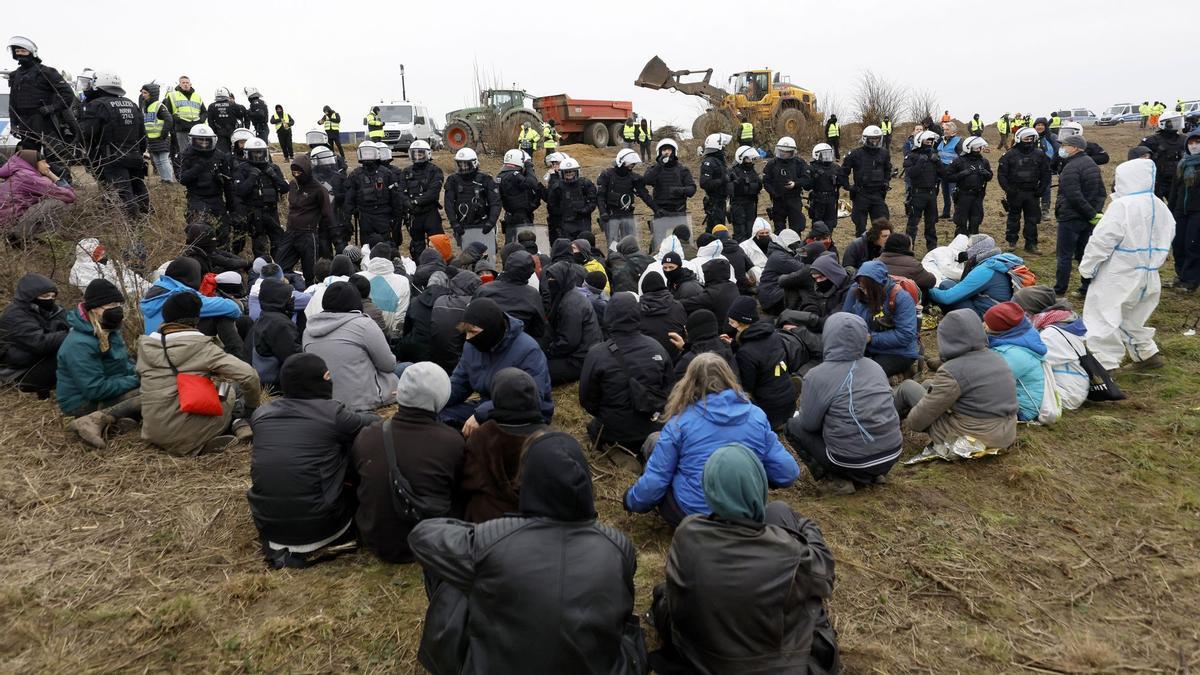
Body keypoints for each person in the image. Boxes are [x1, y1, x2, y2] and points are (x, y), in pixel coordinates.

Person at [410, 432, 647, 675]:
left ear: (526, 481)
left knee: (454, 573)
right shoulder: (619, 546)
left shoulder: (490, 541)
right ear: (587, 481)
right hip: (600, 665)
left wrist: (484, 532)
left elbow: (422, 536)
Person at [649, 445, 839, 675]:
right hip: (770, 667)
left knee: (665, 593)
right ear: (758, 485)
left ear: (709, 489)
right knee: (812, 604)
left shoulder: (686, 532)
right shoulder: (787, 551)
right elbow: (824, 576)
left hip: (698, 660)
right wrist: (806, 526)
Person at [624, 353, 800, 527]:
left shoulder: (679, 423)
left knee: (656, 444)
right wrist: (756, 476)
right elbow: (787, 473)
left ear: (688, 382)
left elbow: (657, 480)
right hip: (745, 514)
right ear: (729, 378)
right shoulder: (756, 416)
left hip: (694, 517)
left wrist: (630, 500)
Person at [247, 353, 377, 569]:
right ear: (324, 379)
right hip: (324, 526)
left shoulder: (261, 415)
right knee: (355, 442)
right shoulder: (333, 413)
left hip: (269, 527)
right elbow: (373, 423)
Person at [349, 362, 464, 563]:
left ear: (400, 392)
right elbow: (461, 490)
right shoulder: (451, 441)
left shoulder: (367, 436)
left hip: (376, 539)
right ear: (441, 396)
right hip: (430, 541)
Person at [783, 313, 901, 496]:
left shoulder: (817, 375)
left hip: (850, 461)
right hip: (892, 454)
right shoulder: (875, 366)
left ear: (828, 336)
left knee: (793, 426)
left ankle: (836, 480)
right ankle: (874, 475)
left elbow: (808, 425)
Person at [1080, 157, 1176, 371]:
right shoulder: (1160, 205)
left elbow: (1102, 240)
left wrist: (1088, 267)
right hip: (1150, 274)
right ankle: (1147, 354)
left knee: (1103, 316)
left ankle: (1104, 366)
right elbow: (1169, 233)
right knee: (1133, 317)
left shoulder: (1121, 206)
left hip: (1119, 273)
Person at [137, 292, 261, 456]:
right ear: (197, 318)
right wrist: (251, 408)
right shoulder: (202, 347)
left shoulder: (146, 345)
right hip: (185, 427)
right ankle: (238, 421)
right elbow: (249, 376)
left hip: (153, 430)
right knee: (227, 388)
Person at [895, 309, 1018, 454]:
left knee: (907, 387)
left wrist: (911, 417)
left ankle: (881, 430)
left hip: (972, 439)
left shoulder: (952, 370)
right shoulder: (997, 358)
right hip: (1004, 433)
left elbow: (917, 422)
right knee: (928, 384)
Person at [442, 298, 554, 431]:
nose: (468, 338)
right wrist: (436, 399)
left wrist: (482, 414)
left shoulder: (528, 351)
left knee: (486, 437)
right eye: (466, 332)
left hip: (523, 414)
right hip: (487, 406)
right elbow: (460, 382)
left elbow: (532, 399)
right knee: (438, 416)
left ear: (492, 329)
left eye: (473, 332)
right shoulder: (472, 347)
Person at [56, 279, 141, 447]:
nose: (116, 308)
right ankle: (90, 420)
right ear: (94, 308)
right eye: (110, 304)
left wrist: (138, 371)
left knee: (155, 388)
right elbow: (95, 389)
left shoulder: (108, 329)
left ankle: (116, 422)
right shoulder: (79, 344)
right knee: (149, 394)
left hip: (108, 390)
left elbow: (123, 364)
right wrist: (137, 379)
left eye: (118, 303)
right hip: (81, 402)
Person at [460, 368, 548, 522]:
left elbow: (469, 481)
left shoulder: (483, 436)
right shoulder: (548, 439)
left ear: (496, 397)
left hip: (488, 521)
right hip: (537, 521)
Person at [302, 281, 399, 411]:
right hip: (361, 403)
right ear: (356, 301)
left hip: (323, 403)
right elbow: (388, 365)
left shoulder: (308, 330)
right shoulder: (364, 325)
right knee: (406, 368)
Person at [78, 71, 148, 218]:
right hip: (135, 155)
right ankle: (146, 217)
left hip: (112, 157)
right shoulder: (132, 104)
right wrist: (140, 152)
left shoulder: (97, 105)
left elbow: (88, 133)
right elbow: (142, 133)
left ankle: (131, 223)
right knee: (138, 187)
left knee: (123, 192)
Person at [5, 36, 77, 174]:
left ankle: (64, 187)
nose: (19, 54)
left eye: (22, 51)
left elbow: (68, 94)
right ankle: (34, 188)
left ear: (31, 52)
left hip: (46, 121)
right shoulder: (15, 75)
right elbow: (12, 102)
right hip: (25, 123)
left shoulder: (47, 72)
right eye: (17, 51)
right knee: (28, 158)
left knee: (54, 157)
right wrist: (13, 123)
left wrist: (53, 108)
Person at [725, 297, 796, 429]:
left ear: (743, 322)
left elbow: (747, 389)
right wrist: (735, 344)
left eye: (732, 322)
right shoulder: (773, 335)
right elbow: (761, 352)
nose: (730, 325)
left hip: (769, 413)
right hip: (788, 402)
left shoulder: (746, 353)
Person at [842, 261, 920, 377]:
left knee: (865, 375)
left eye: (868, 288)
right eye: (862, 287)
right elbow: (846, 316)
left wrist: (871, 338)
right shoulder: (858, 292)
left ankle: (904, 371)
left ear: (879, 285)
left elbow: (906, 335)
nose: (865, 292)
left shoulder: (901, 298)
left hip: (898, 352)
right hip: (866, 347)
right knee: (842, 367)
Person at [1053, 134, 1107, 296]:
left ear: (1075, 148)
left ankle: (1060, 289)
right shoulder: (1091, 163)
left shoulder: (1071, 167)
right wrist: (1094, 213)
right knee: (1084, 253)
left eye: (1065, 146)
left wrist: (1090, 213)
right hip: (1087, 218)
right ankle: (1086, 286)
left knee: (1064, 256)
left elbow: (1073, 195)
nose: (1061, 149)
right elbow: (1101, 192)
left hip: (1071, 217)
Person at [0, 273, 68, 397]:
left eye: (53, 296)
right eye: (45, 296)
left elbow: (72, 323)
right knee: (72, 352)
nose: (50, 300)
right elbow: (39, 343)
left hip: (43, 360)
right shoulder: (14, 315)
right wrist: (71, 334)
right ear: (29, 297)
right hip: (22, 372)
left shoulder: (55, 310)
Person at [928, 234, 1024, 316]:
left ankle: (957, 321)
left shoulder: (985, 270)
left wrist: (927, 289)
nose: (966, 251)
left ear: (977, 249)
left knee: (946, 285)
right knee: (949, 283)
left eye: (969, 247)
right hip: (1003, 312)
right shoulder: (999, 262)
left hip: (987, 318)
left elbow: (947, 298)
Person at [983, 301, 1047, 422]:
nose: (984, 325)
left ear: (1000, 328)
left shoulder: (1015, 354)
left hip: (1022, 408)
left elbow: (989, 382)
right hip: (1012, 396)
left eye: (988, 323)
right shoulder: (1019, 334)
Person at [543, 261, 603, 384]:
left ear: (563, 279)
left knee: (540, 369)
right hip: (580, 353)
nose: (550, 280)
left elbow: (569, 341)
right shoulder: (565, 294)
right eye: (549, 277)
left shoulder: (571, 304)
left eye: (554, 278)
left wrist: (549, 352)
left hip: (581, 359)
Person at [280, 154, 334, 285]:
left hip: (308, 234)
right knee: (281, 266)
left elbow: (327, 214)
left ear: (307, 171)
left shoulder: (319, 189)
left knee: (310, 272)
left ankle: (311, 296)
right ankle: (290, 291)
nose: (296, 175)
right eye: (294, 172)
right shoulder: (293, 184)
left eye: (299, 172)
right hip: (291, 232)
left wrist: (325, 237)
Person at [0, 149, 76, 239]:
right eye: (44, 162)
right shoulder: (30, 178)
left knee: (45, 199)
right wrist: (51, 175)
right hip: (9, 225)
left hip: (5, 223)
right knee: (59, 203)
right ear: (33, 163)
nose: (47, 166)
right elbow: (70, 196)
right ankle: (20, 236)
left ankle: (19, 235)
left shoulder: (17, 174)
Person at [998, 127, 1052, 254]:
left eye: (1031, 138)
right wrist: (1008, 189)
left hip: (1032, 193)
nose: (1028, 141)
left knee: (1032, 220)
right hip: (1015, 193)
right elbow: (1002, 175)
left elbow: (1046, 173)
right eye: (1026, 138)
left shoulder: (1039, 154)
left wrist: (1041, 189)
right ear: (1018, 138)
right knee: (1013, 218)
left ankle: (1031, 244)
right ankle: (1012, 242)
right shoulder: (1009, 155)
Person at [473, 249, 547, 341]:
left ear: (507, 265)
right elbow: (539, 330)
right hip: (518, 344)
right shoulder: (532, 294)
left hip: (485, 343)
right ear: (530, 273)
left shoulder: (483, 290)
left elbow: (470, 321)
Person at [244, 279, 300, 388]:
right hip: (274, 388)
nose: (292, 300)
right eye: (288, 297)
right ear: (279, 300)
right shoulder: (280, 325)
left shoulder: (263, 317)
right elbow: (295, 358)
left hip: (259, 384)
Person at [597, 148, 657, 248]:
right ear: (621, 162)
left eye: (633, 165)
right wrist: (603, 212)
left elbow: (644, 195)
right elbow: (600, 196)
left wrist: (656, 209)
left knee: (630, 244)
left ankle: (630, 260)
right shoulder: (607, 175)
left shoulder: (634, 177)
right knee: (613, 246)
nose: (631, 167)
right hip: (611, 216)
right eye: (629, 164)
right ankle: (614, 261)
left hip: (627, 215)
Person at [397, 140, 445, 259]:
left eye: (421, 154)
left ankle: (438, 266)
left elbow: (433, 192)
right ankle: (419, 267)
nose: (418, 156)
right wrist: (407, 203)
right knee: (416, 246)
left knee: (437, 243)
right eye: (415, 154)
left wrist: (416, 201)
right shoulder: (406, 172)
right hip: (414, 214)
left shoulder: (435, 170)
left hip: (430, 212)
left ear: (428, 154)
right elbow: (400, 191)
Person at [444, 147, 501, 248]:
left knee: (487, 253)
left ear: (474, 163)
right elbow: (448, 203)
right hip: (463, 224)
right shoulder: (453, 180)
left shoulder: (485, 179)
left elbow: (495, 202)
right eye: (460, 164)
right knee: (467, 255)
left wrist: (491, 222)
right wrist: (454, 223)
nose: (463, 167)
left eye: (466, 164)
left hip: (482, 222)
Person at [842, 125, 892, 236]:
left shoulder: (884, 153)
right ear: (865, 139)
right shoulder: (855, 154)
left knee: (882, 225)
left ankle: (879, 248)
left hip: (878, 194)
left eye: (877, 139)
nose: (875, 142)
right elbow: (843, 171)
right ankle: (861, 249)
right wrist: (849, 187)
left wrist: (886, 182)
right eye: (872, 139)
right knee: (860, 227)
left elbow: (888, 169)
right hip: (861, 194)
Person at [643, 139, 696, 242]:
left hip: (678, 212)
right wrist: (660, 165)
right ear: (659, 152)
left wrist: (679, 190)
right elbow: (647, 180)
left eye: (669, 149)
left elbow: (692, 189)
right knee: (658, 243)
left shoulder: (682, 170)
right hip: (661, 212)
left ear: (674, 151)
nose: (666, 152)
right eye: (663, 150)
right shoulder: (655, 168)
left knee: (682, 242)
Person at [1168, 130, 1200, 293]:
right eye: (1191, 143)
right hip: (1181, 209)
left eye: (1197, 142)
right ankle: (1180, 275)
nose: (1194, 146)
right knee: (1178, 243)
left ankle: (1191, 280)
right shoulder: (1183, 163)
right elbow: (1175, 188)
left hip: (1197, 211)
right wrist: (1171, 209)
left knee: (1192, 244)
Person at [904, 130, 945, 251]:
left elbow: (944, 174)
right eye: (927, 141)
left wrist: (937, 162)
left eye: (931, 141)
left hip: (931, 194)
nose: (929, 143)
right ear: (919, 141)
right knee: (912, 225)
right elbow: (911, 174)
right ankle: (908, 250)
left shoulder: (934, 155)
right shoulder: (912, 156)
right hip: (917, 194)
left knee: (931, 225)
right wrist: (920, 162)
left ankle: (932, 250)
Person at [948, 136, 993, 236]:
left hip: (978, 195)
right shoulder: (959, 161)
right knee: (961, 221)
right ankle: (960, 241)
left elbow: (989, 177)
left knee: (976, 220)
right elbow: (949, 177)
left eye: (979, 148)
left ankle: (973, 240)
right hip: (963, 194)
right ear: (969, 148)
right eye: (976, 148)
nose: (978, 150)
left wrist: (986, 173)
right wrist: (963, 174)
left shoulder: (984, 161)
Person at [762, 136, 808, 234]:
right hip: (778, 200)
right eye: (781, 151)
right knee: (779, 228)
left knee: (796, 228)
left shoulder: (799, 163)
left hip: (794, 199)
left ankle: (795, 247)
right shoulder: (772, 164)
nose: (783, 153)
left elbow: (806, 178)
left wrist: (795, 184)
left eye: (786, 151)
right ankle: (780, 248)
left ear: (792, 152)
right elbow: (766, 181)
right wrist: (774, 193)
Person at [638, 271, 687, 360]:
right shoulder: (677, 306)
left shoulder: (637, 309)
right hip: (674, 357)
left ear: (643, 289)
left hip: (647, 358)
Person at [548, 157, 596, 240]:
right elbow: (551, 205)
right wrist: (562, 211)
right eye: (566, 172)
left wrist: (584, 210)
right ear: (562, 173)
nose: (569, 174)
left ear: (576, 171)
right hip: (565, 223)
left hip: (583, 221)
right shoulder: (557, 187)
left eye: (571, 171)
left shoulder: (585, 184)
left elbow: (593, 201)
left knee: (585, 244)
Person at [1141, 111, 1187, 199]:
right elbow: (1138, 157)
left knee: (1177, 208)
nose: (1175, 124)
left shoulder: (1184, 139)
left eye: (1177, 121)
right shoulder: (1151, 140)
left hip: (1178, 180)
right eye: (1172, 122)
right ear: (1163, 123)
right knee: (1157, 209)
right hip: (1158, 181)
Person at [725, 145, 762, 242]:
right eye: (748, 159)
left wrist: (748, 186)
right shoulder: (733, 171)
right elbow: (730, 188)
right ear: (741, 158)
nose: (750, 161)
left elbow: (758, 185)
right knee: (740, 231)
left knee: (751, 229)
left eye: (751, 159)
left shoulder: (752, 170)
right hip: (738, 204)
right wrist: (741, 185)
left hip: (751, 204)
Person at [139, 83, 174, 183]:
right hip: (151, 139)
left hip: (161, 138)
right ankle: (164, 179)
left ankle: (168, 180)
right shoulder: (145, 107)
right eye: (142, 93)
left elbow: (169, 120)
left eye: (145, 93)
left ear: (152, 94)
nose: (143, 95)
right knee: (157, 161)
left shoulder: (159, 106)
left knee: (163, 159)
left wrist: (163, 134)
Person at [699, 133, 732, 232]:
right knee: (715, 229)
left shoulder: (718, 161)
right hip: (714, 202)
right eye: (723, 146)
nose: (724, 148)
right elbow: (704, 183)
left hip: (721, 201)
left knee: (719, 227)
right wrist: (722, 180)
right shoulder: (709, 162)